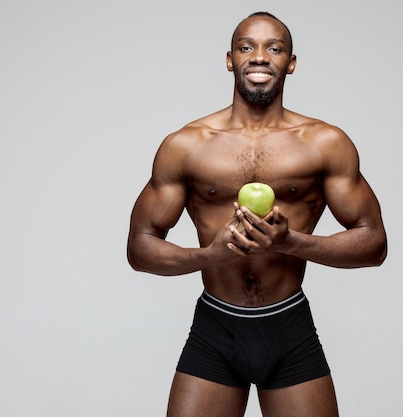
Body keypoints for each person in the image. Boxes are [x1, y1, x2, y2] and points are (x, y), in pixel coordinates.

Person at [127, 11, 387, 417]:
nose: (260, 57)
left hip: (289, 326)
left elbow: (374, 243)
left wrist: (292, 242)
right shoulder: (186, 146)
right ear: (230, 59)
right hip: (216, 326)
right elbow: (139, 248)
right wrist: (210, 255)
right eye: (247, 47)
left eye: (275, 48)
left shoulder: (325, 143)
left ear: (291, 63)